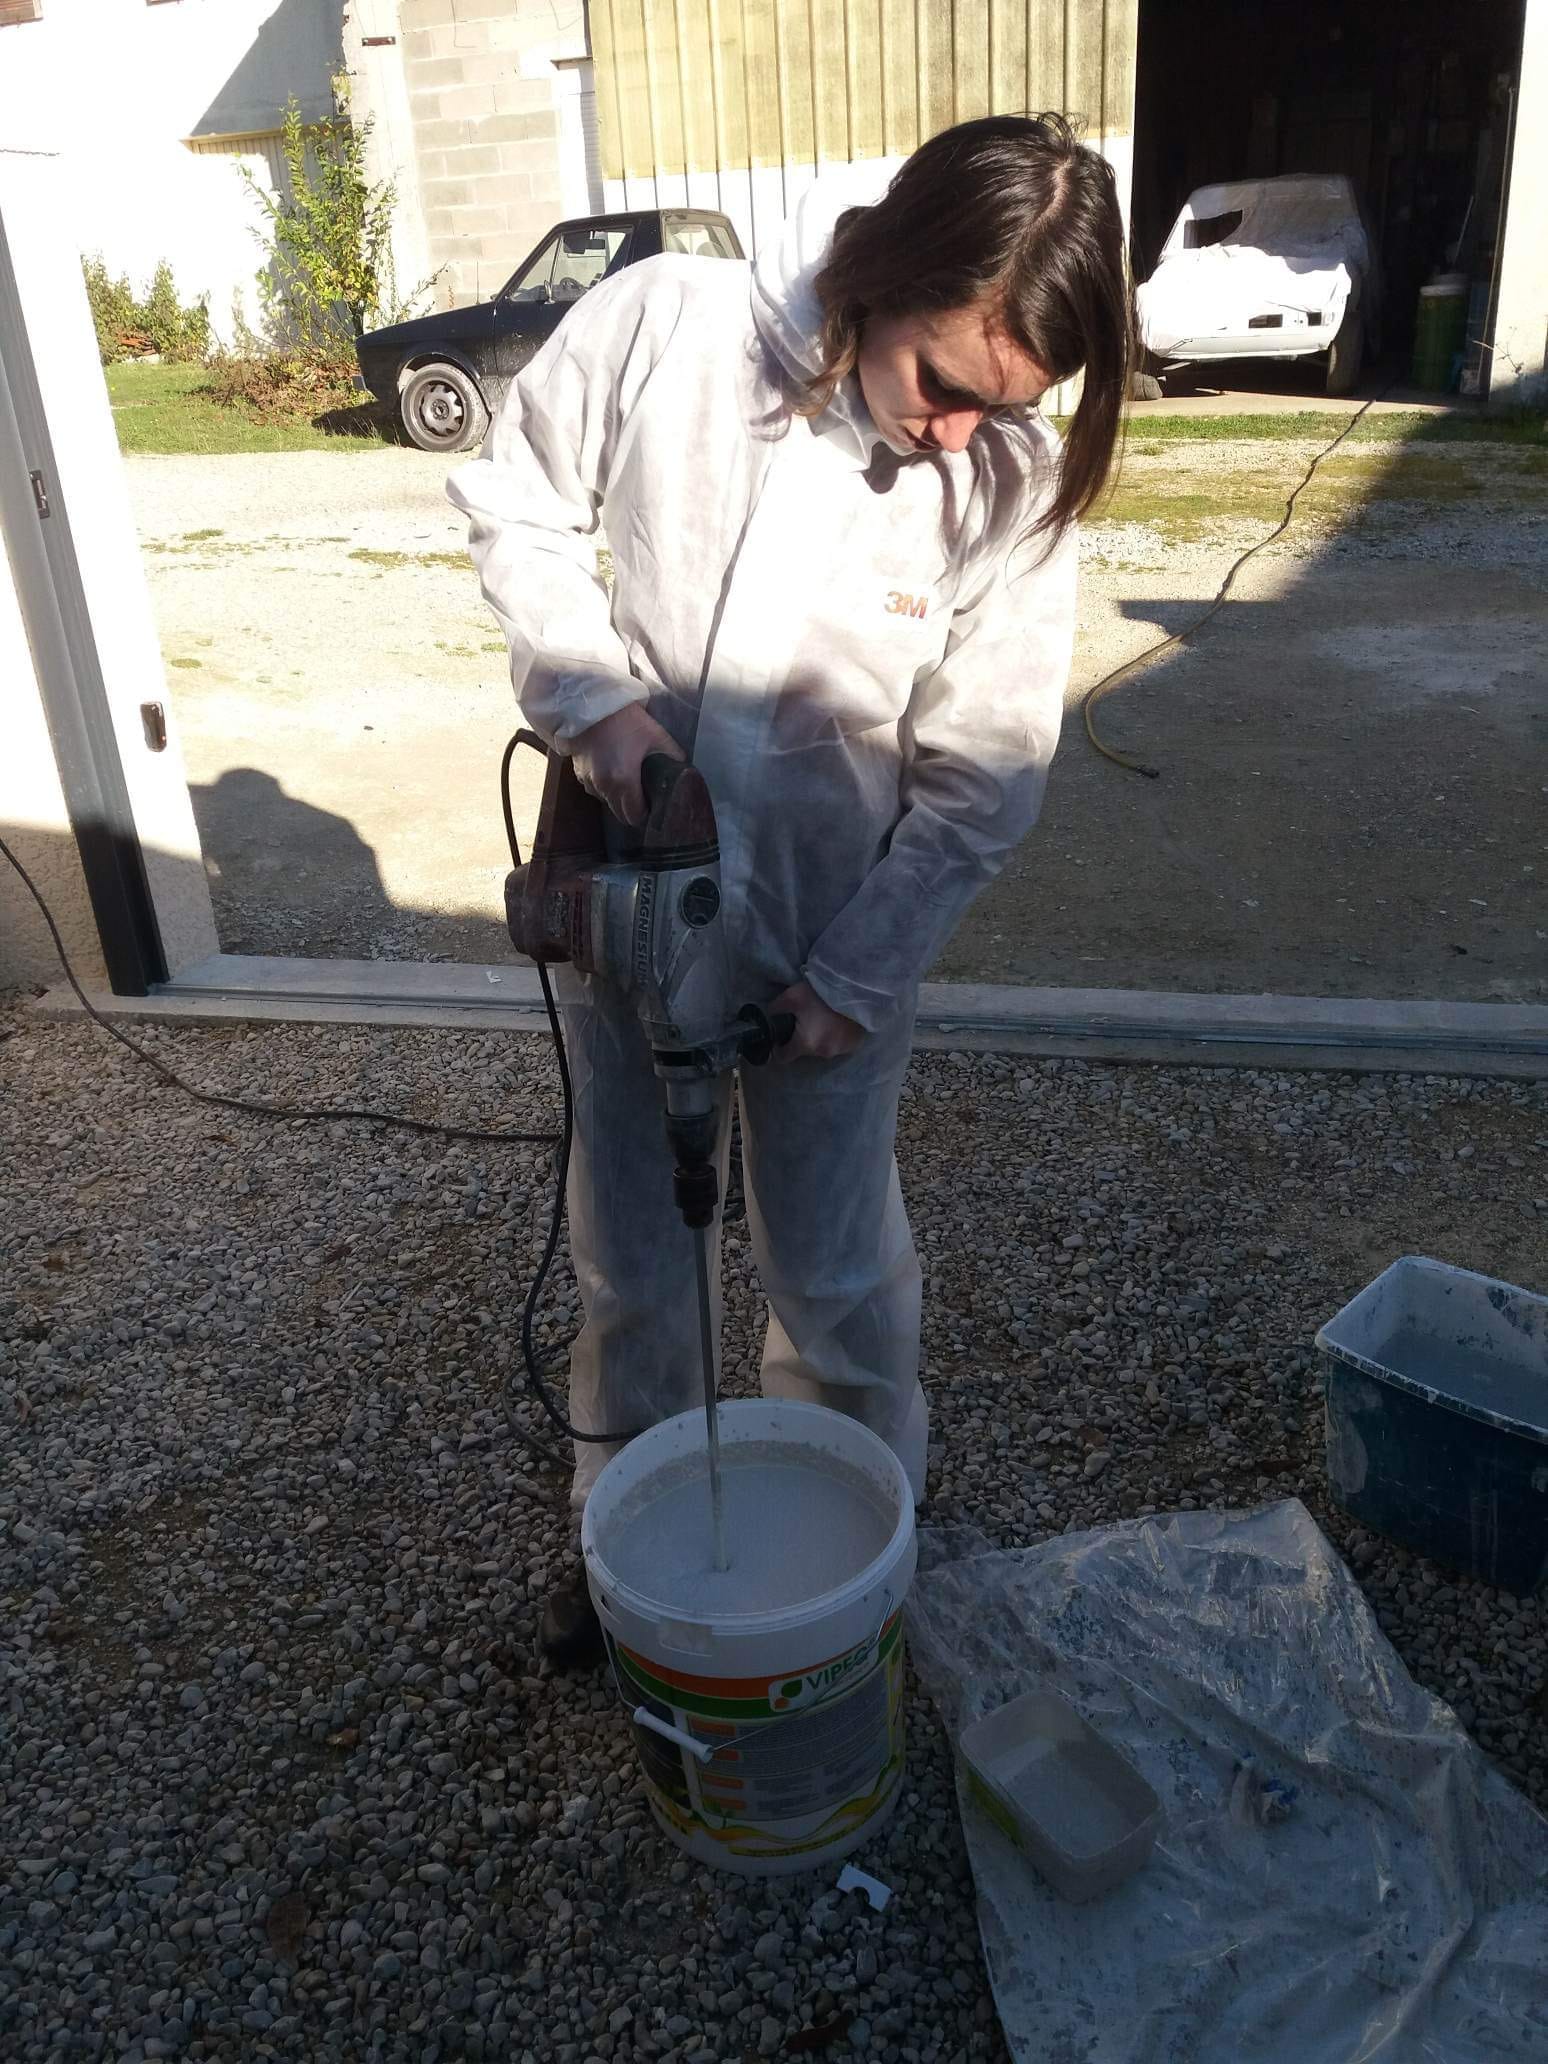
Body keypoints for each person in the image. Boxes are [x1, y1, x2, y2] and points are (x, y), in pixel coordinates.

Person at [450, 113, 1131, 1664]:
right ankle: (626, 1538)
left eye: (1007, 404)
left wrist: (856, 976)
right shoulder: (671, 332)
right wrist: (598, 709)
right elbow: (517, 503)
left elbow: (983, 776)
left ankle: (856, 1541)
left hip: (836, 931)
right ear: (885, 271)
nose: (957, 434)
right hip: (636, 898)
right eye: (945, 382)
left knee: (835, 1268)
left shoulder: (999, 486)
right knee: (635, 1252)